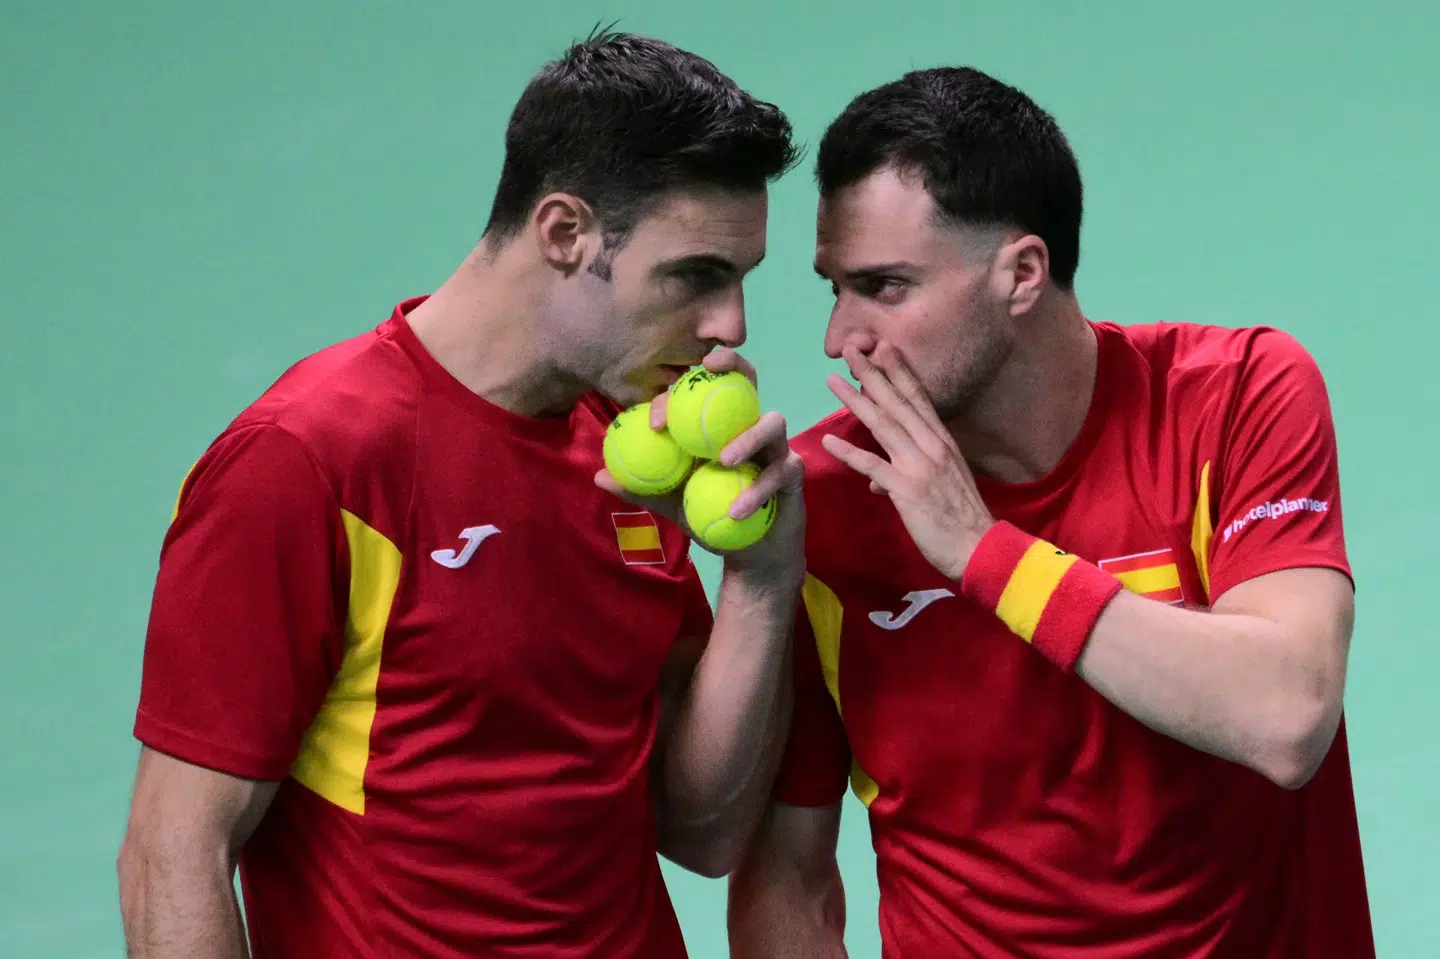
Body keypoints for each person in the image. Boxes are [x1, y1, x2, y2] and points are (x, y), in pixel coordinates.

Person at [117, 30, 808, 959]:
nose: (730, 325)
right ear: (564, 232)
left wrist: (761, 582)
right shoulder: (308, 460)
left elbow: (702, 830)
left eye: (739, 279)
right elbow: (174, 852)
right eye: (697, 276)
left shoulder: (629, 453)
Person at [728, 65, 1373, 958]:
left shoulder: (1235, 399)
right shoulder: (824, 506)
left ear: (1022, 274)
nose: (842, 338)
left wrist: (982, 551)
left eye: (884, 287)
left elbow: (1287, 713)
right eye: (834, 288)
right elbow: (786, 875)